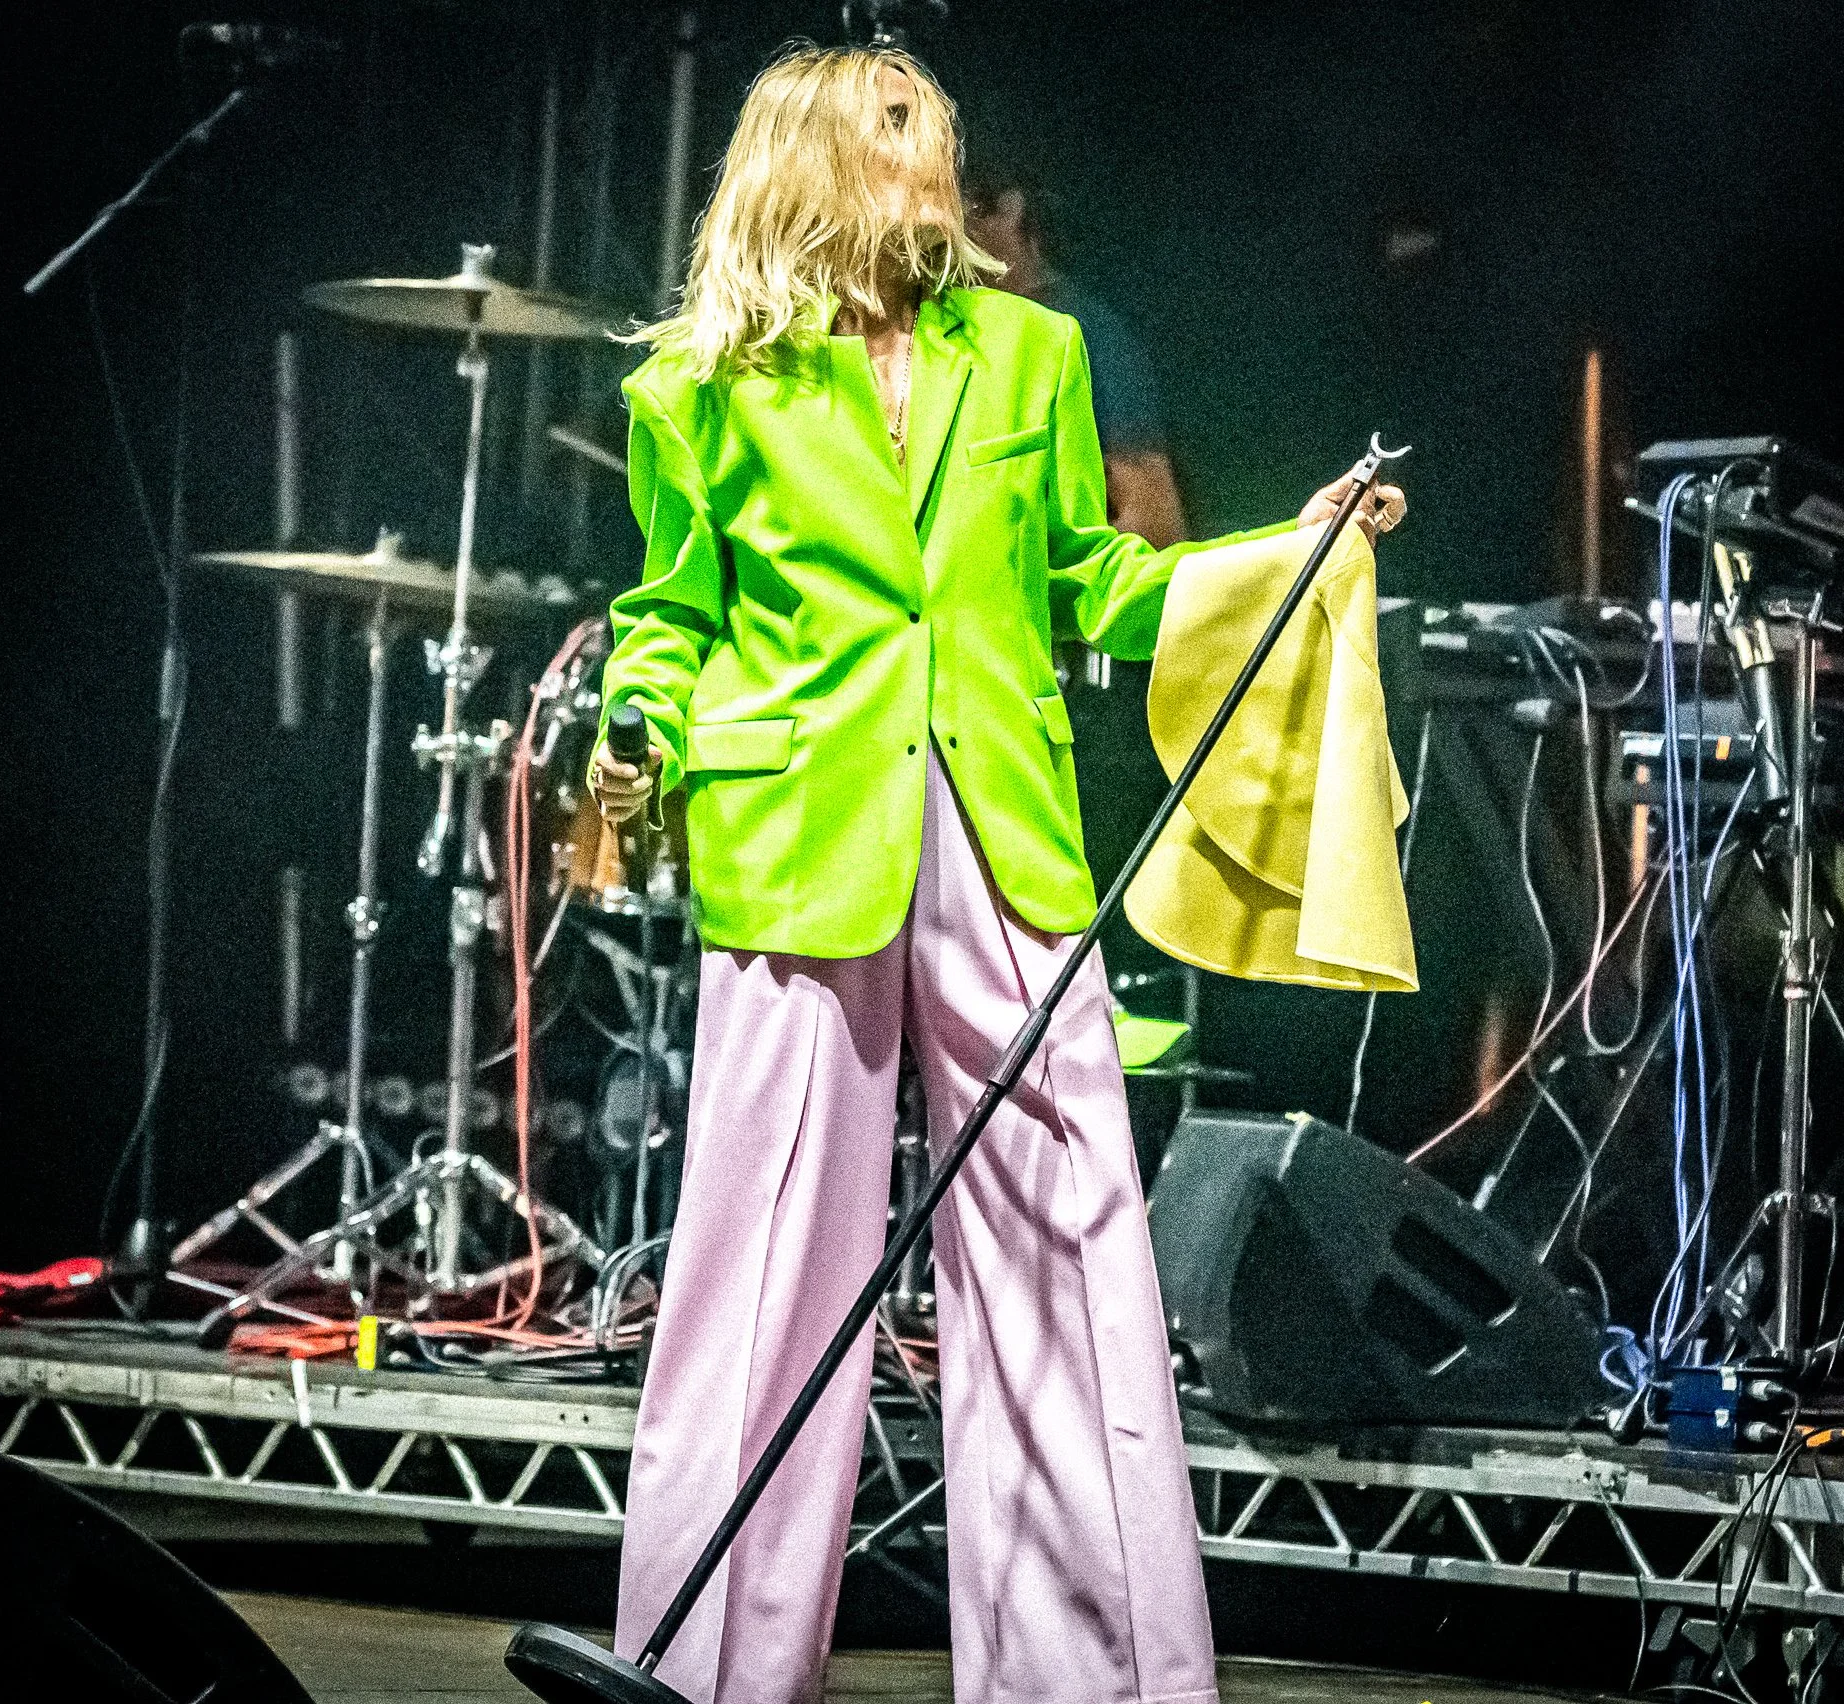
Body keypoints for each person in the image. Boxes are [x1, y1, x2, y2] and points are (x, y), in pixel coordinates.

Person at [588, 43, 1403, 1704]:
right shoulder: (698, 383)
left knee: (1067, 1236)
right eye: (901, 135)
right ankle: (706, 1670)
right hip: (796, 823)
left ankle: (1090, 1674)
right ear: (813, 159)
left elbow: (1098, 577)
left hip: (997, 819)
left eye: (939, 138)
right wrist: (633, 728)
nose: (937, 166)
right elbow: (672, 612)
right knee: (759, 1266)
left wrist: (1281, 557)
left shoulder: (1032, 353)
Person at [963, 158, 1187, 548]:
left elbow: (1155, 517)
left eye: (979, 213)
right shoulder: (970, 337)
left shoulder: (1088, 332)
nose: (964, 235)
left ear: (1016, 213)